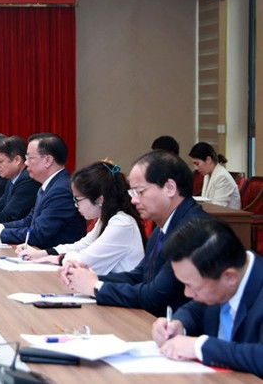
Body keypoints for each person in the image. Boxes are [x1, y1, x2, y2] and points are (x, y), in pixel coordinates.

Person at [62, 150, 209, 316]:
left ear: (170, 188)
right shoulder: (164, 225)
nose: (134, 200)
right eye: (132, 193)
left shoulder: (193, 229)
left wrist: (96, 286)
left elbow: (155, 295)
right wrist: (89, 278)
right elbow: (140, 275)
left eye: (140, 191)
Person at [151, 217, 263, 378]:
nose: (187, 294)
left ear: (229, 277)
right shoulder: (220, 280)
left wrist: (200, 347)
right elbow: (196, 310)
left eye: (191, 285)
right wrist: (179, 325)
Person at [17, 161, 146, 275]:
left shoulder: (122, 223)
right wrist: (42, 253)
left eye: (78, 199)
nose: (75, 205)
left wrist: (56, 258)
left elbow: (85, 261)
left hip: (122, 297)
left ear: (100, 199)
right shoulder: (106, 219)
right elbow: (81, 246)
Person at [0, 132, 86, 248]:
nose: (26, 163)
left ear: (48, 161)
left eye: (30, 158)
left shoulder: (61, 190)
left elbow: (39, 234)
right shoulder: (49, 185)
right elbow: (28, 221)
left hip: (55, 258)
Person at [188, 142, 241, 209]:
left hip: (227, 218)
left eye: (197, 164)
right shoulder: (207, 175)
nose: (196, 168)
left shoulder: (222, 177)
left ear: (208, 160)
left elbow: (218, 207)